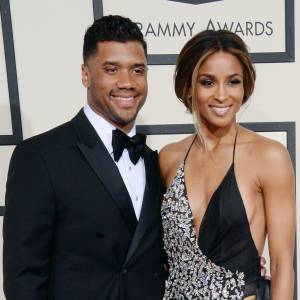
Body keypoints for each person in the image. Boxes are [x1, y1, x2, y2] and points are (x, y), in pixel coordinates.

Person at [3, 15, 166, 300]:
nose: (127, 82)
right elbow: (23, 279)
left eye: (137, 70)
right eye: (112, 69)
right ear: (86, 75)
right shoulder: (39, 157)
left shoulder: (155, 162)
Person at [159, 29, 295, 299]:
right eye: (208, 82)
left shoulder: (269, 156)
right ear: (188, 86)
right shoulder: (169, 157)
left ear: (244, 88)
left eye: (233, 82)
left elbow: (281, 265)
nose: (222, 95)